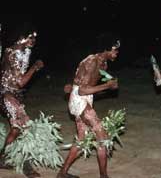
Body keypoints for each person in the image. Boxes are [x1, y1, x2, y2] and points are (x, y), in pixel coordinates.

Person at [57, 43, 119, 178]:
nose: (117, 53)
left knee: (82, 140)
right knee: (102, 137)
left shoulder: (103, 64)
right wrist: (106, 86)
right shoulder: (92, 61)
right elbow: (82, 90)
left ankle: (62, 173)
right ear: (106, 48)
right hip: (79, 100)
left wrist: (110, 86)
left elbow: (90, 88)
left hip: (85, 98)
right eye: (115, 49)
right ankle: (104, 176)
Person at [0, 31, 44, 178]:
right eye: (30, 37)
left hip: (15, 95)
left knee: (17, 128)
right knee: (24, 126)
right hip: (6, 94)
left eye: (35, 38)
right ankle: (27, 167)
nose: (34, 40)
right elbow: (20, 82)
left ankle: (2, 158)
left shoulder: (24, 52)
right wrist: (35, 67)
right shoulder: (12, 53)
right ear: (20, 37)